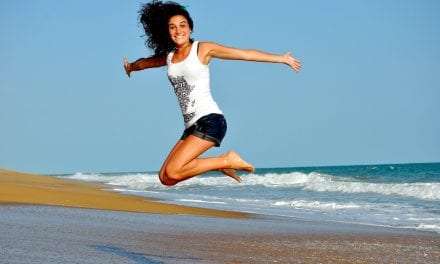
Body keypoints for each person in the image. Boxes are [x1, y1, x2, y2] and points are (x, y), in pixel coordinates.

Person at [124, 1, 301, 186]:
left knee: (174, 171)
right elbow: (146, 62)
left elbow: (244, 54)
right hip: (191, 126)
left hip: (210, 121)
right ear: (166, 32)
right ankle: (219, 164)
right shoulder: (169, 57)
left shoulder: (202, 49)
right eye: (172, 27)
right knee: (165, 177)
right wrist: (131, 67)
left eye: (182, 26)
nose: (178, 31)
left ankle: (226, 160)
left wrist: (281, 58)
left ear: (190, 28)